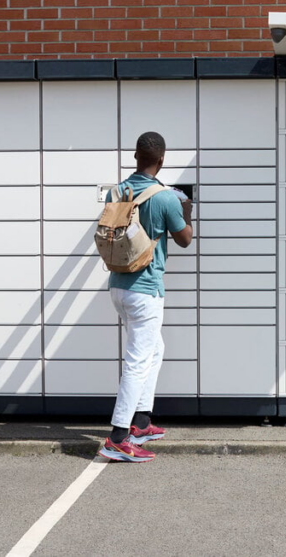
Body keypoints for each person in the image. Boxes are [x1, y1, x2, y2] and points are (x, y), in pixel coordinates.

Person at [99, 131, 193, 462]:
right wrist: (187, 207)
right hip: (145, 290)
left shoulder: (117, 191)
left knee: (155, 350)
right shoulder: (166, 197)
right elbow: (185, 239)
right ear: (161, 160)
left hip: (118, 285)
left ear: (136, 157)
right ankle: (118, 438)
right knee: (138, 362)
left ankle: (141, 421)